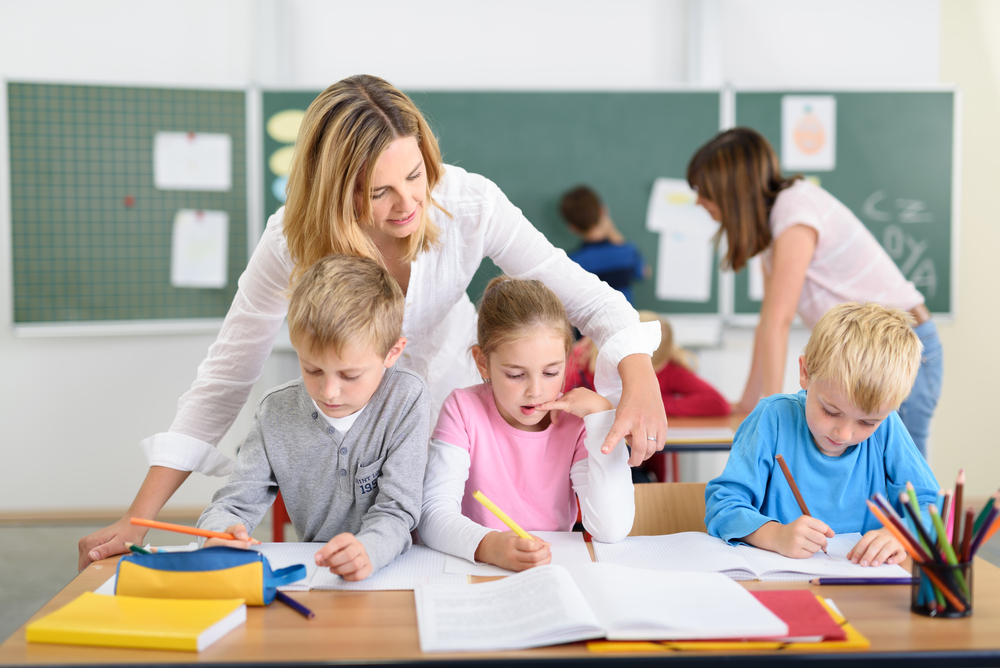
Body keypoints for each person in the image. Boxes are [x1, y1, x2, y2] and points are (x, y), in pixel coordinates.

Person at [79, 74, 667, 570]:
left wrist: (639, 378)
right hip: (351, 418)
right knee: (362, 558)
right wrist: (142, 515)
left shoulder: (467, 202)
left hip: (449, 406)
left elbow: (589, 298)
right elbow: (226, 376)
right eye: (378, 191)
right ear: (336, 191)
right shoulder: (292, 236)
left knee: (453, 545)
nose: (408, 204)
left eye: (415, 175)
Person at [687, 127, 942, 458]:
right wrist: (751, 404)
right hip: (871, 355)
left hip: (901, 351)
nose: (698, 201)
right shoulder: (775, 227)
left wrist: (769, 410)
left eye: (704, 191)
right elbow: (769, 320)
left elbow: (779, 321)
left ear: (731, 190)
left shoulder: (795, 212)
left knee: (901, 476)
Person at [198, 254, 428, 581]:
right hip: (319, 573)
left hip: (395, 571)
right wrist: (219, 534)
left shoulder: (405, 398)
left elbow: (398, 510)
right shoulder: (276, 412)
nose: (329, 391)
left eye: (349, 375)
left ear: (393, 352)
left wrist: (368, 550)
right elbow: (231, 506)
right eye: (312, 369)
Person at [418, 277, 648, 571]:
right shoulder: (463, 409)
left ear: (567, 360)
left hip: (551, 572)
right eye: (515, 375)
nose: (535, 391)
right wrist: (490, 545)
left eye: (551, 372)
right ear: (482, 362)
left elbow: (611, 528)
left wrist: (602, 417)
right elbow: (432, 515)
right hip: (476, 570)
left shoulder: (576, 423)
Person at [704, 302, 939, 566]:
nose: (844, 433)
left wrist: (902, 534)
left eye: (867, 422)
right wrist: (776, 535)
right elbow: (723, 505)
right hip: (781, 584)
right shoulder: (773, 418)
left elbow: (933, 507)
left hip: (866, 587)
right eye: (830, 411)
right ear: (805, 373)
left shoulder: (887, 427)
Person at [564, 311, 731, 417]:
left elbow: (717, 403)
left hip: (638, 456)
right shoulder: (584, 355)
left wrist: (650, 402)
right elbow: (557, 399)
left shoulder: (669, 368)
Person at [560, 185, 650, 304]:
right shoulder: (627, 251)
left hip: (590, 322)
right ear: (603, 211)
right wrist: (613, 232)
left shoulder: (571, 262)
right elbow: (644, 273)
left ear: (572, 228)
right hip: (627, 321)